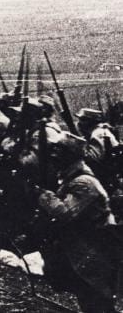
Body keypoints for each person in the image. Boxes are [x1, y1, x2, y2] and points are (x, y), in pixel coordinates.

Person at [30, 130, 123, 313]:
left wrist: (43, 196)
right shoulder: (70, 176)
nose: (54, 156)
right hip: (85, 245)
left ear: (70, 155)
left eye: (59, 152)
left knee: (95, 294)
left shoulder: (84, 182)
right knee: (87, 293)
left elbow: (65, 213)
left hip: (96, 247)